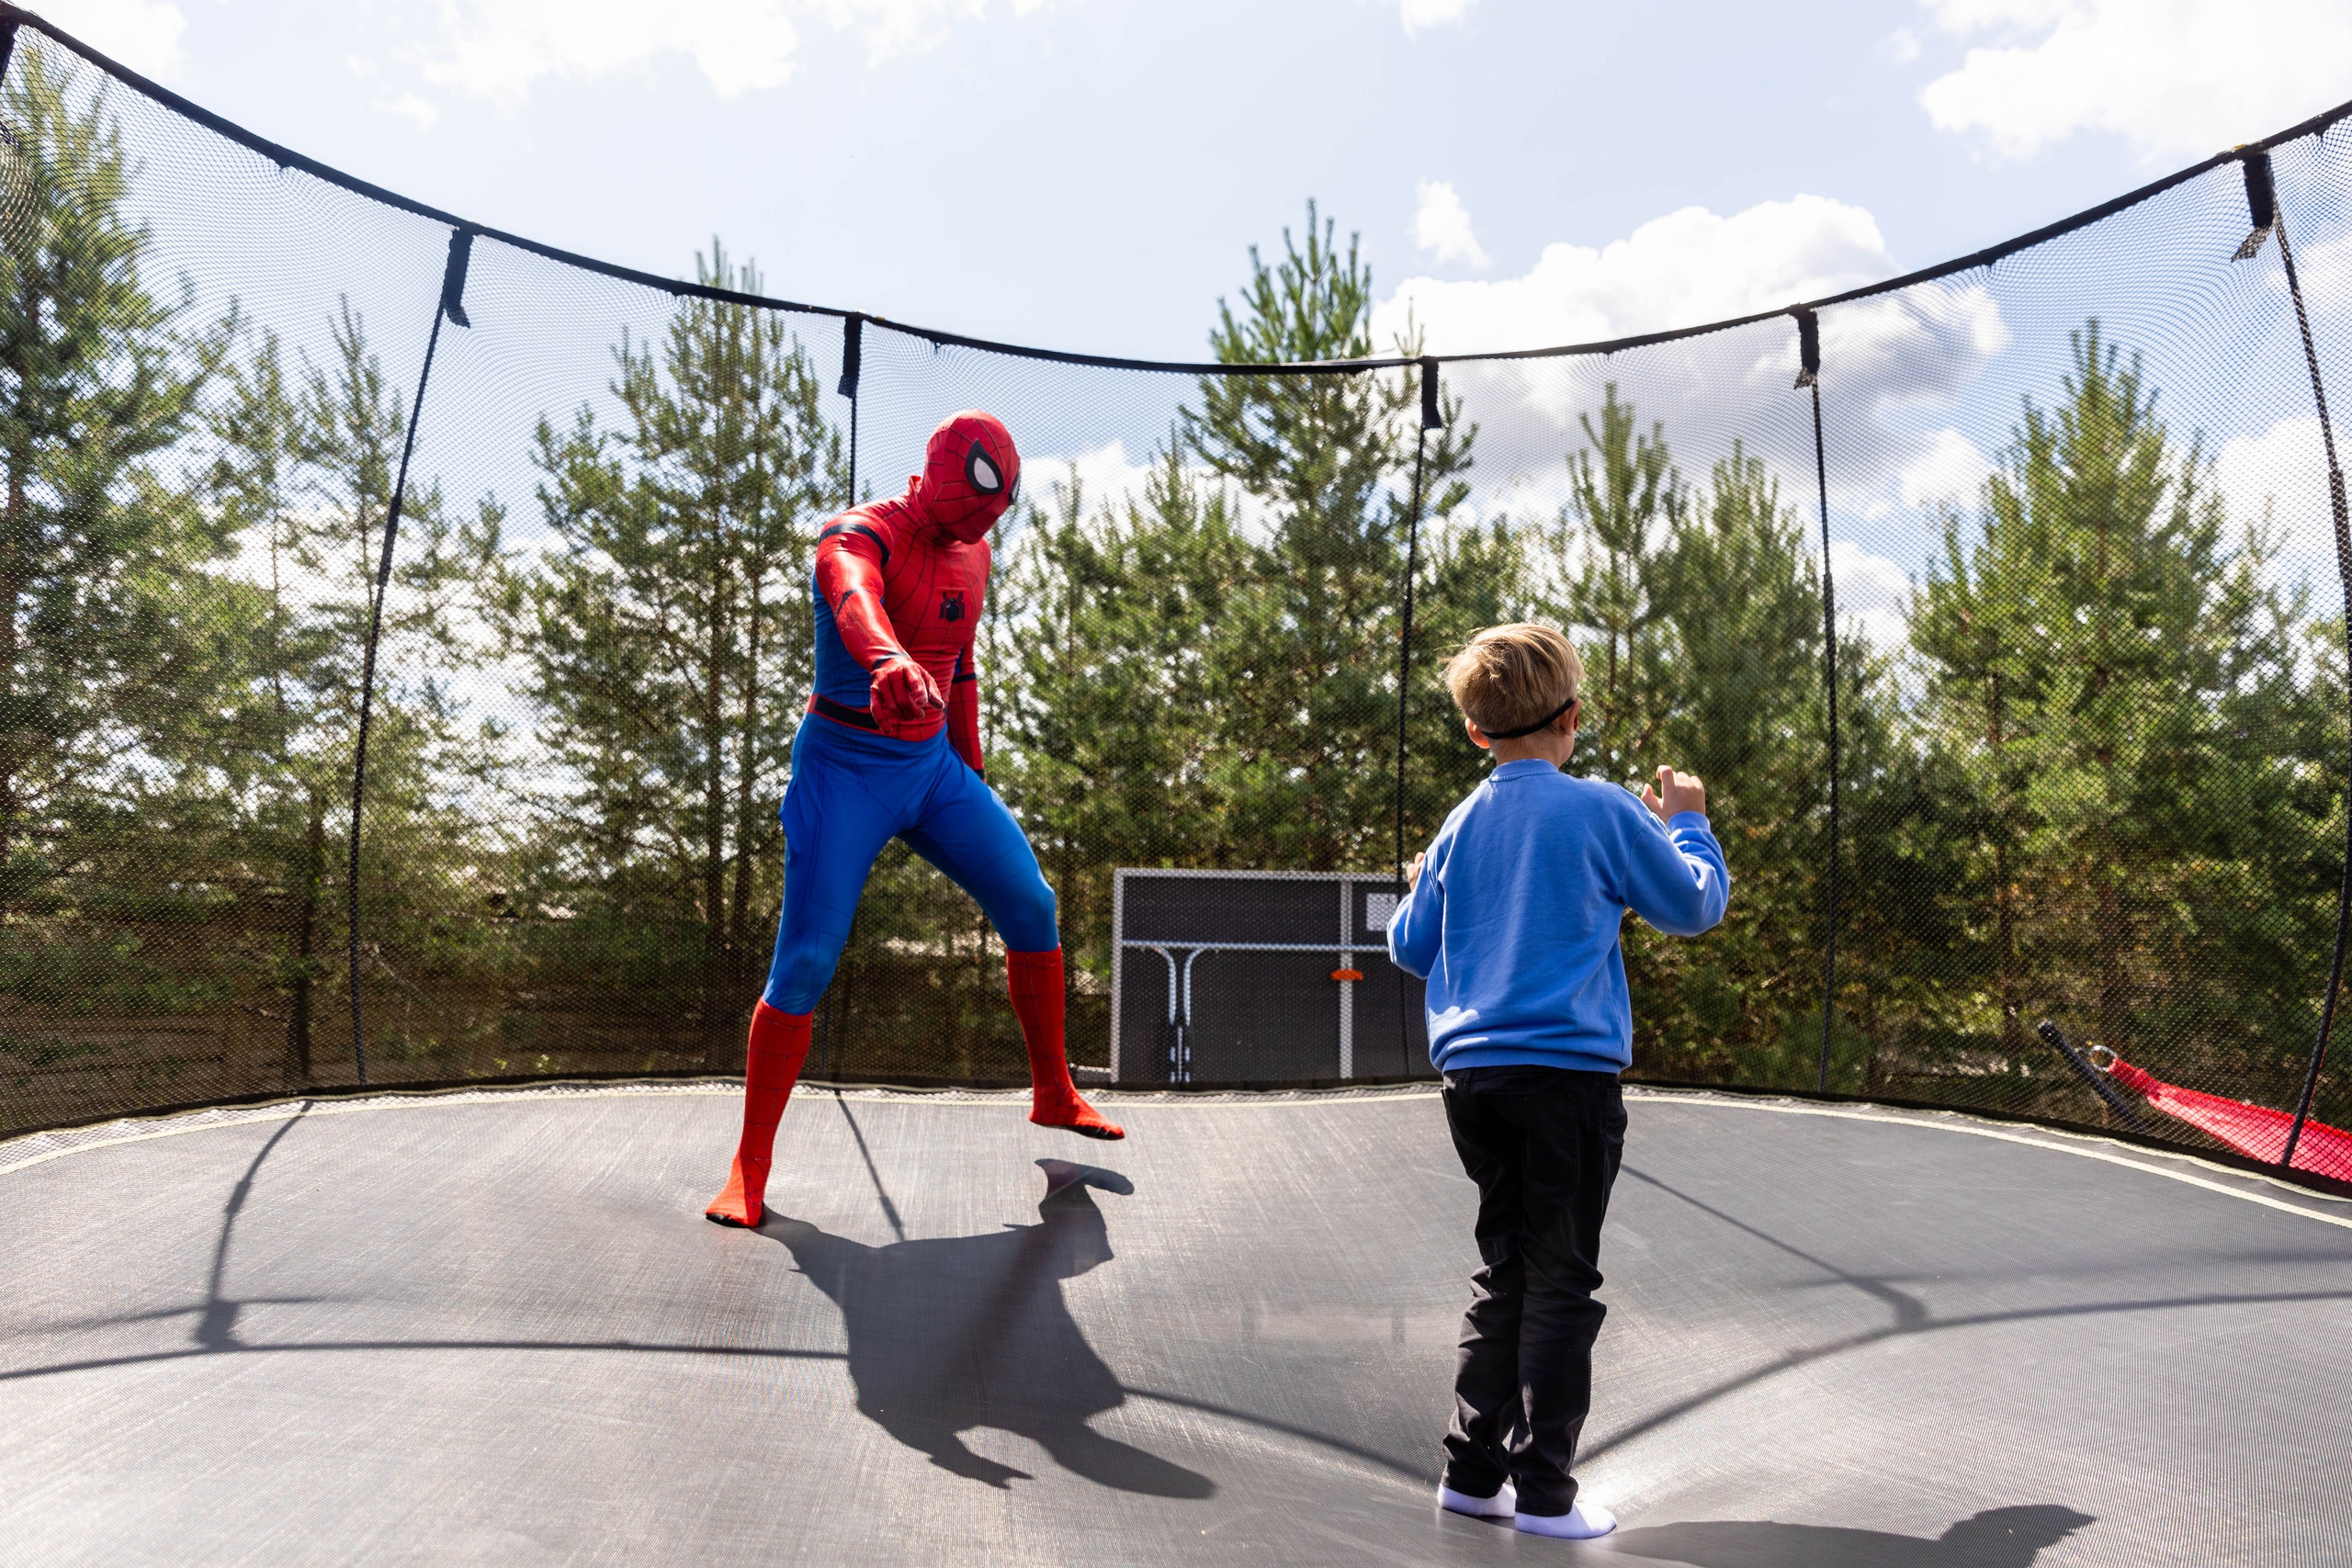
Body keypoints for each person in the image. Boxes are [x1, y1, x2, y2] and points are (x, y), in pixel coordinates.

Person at [706, 411, 1123, 1233]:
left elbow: (961, 658)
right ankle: (748, 1168)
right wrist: (887, 660)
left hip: (933, 770)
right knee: (807, 962)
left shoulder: (978, 549)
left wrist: (969, 765)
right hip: (845, 768)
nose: (980, 523)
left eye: (994, 512)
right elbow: (853, 594)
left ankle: (1054, 1091)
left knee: (1033, 905)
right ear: (931, 471)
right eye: (971, 505)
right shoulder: (860, 533)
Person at [1386, 623, 1728, 1540]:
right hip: (1565, 1080)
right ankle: (1543, 1494)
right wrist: (1688, 822)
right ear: (1570, 717)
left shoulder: (1460, 825)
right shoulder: (1604, 810)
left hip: (1473, 1082)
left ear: (1474, 734)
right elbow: (1692, 906)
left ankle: (1470, 1472)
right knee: (1561, 1279)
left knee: (1506, 1270)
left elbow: (1409, 948)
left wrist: (1422, 883)